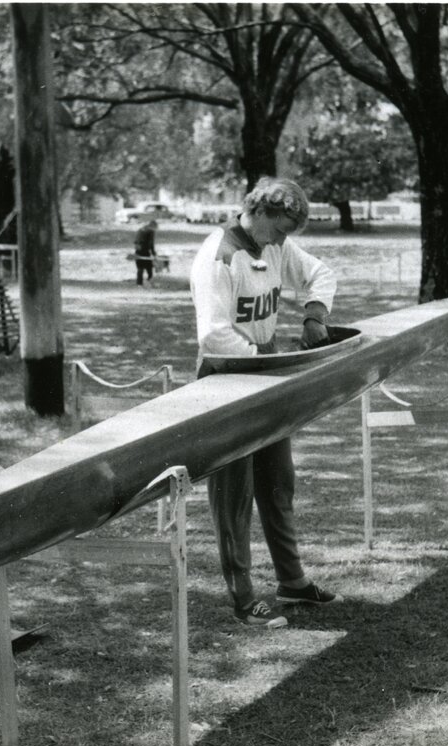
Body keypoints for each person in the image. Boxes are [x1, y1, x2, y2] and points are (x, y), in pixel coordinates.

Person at [190, 177, 343, 628]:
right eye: (280, 229)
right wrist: (263, 363)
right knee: (233, 494)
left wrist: (315, 313)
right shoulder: (218, 255)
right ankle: (243, 598)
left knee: (278, 481)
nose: (283, 240)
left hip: (267, 377)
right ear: (259, 211)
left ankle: (291, 581)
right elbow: (214, 334)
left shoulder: (274, 245)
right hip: (227, 382)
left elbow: (321, 273)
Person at [134, 219, 158, 285]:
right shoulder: (151, 231)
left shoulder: (141, 229)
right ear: (153, 226)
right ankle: (149, 281)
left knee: (140, 268)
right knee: (149, 267)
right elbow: (151, 243)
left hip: (137, 250)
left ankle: (139, 283)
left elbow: (136, 240)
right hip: (145, 250)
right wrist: (154, 253)